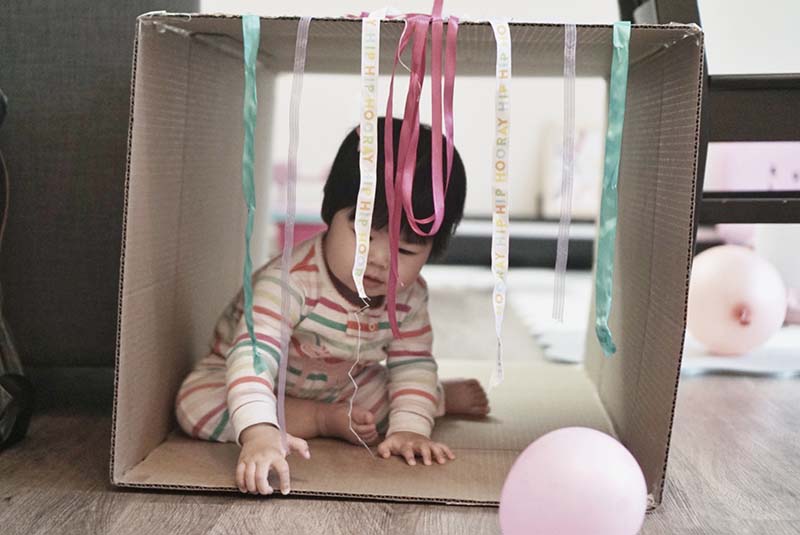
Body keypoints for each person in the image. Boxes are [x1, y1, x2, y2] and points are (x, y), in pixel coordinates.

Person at [175, 117, 489, 496]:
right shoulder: (290, 280)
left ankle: (437, 397)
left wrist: (411, 431)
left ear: (432, 252)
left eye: (405, 250)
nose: (378, 259)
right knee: (193, 406)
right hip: (258, 379)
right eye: (363, 234)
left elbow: (412, 362)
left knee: (400, 399)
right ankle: (319, 421)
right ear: (329, 212)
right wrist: (258, 435)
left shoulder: (410, 296)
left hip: (346, 381)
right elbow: (254, 358)